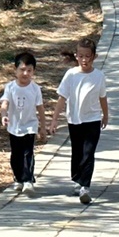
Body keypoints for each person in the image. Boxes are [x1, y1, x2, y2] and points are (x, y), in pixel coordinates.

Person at [48, 37, 109, 204]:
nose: (84, 60)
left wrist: (105, 115)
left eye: (87, 56)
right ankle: (77, 179)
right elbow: (62, 98)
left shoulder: (99, 76)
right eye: (81, 56)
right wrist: (54, 120)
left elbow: (102, 97)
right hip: (74, 119)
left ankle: (85, 186)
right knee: (77, 151)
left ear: (94, 57)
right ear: (76, 56)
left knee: (88, 153)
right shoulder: (71, 75)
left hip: (93, 119)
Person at [0, 51, 46, 195]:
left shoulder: (35, 88)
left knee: (28, 153)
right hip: (14, 127)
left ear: (33, 71)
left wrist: (42, 127)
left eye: (29, 70)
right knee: (16, 154)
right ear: (15, 70)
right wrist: (3, 116)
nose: (25, 73)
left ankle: (28, 180)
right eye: (22, 70)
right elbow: (5, 103)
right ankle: (18, 178)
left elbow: (40, 108)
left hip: (30, 125)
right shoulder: (10, 87)